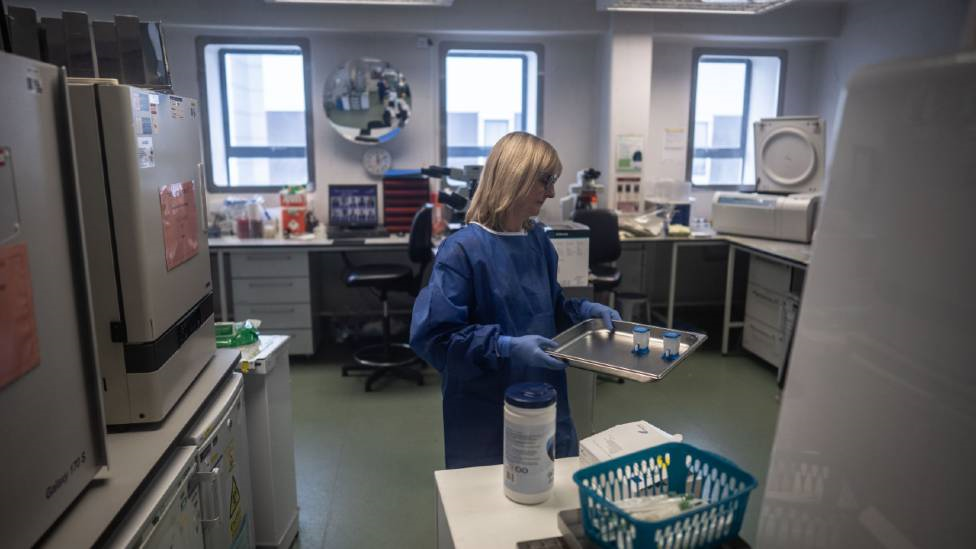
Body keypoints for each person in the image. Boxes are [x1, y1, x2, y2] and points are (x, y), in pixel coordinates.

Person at [410, 132, 621, 469]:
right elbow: (435, 338)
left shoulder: (537, 241)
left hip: (545, 395)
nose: (551, 191)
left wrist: (584, 313)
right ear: (515, 175)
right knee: (488, 504)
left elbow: (549, 308)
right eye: (545, 180)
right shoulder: (463, 250)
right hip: (484, 408)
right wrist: (505, 346)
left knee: (548, 492)